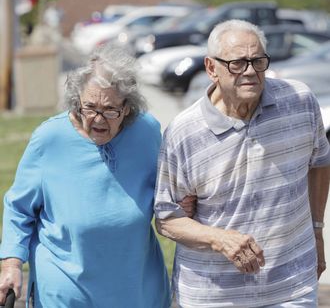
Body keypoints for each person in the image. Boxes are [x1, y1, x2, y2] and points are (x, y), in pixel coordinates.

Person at [0, 45, 194, 307]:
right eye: (89, 107)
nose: (97, 119)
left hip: (134, 284)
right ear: (76, 99)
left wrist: (181, 204)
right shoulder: (50, 138)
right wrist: (11, 263)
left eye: (110, 109)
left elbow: (165, 192)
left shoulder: (146, 132)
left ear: (127, 108)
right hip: (66, 285)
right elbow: (19, 209)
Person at [154, 19, 330, 307]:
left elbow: (321, 161)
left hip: (292, 287)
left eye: (258, 61)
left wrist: (317, 229)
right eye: (237, 63)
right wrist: (218, 239)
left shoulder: (299, 101)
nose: (250, 72)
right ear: (212, 68)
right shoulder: (184, 132)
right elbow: (167, 219)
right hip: (214, 296)